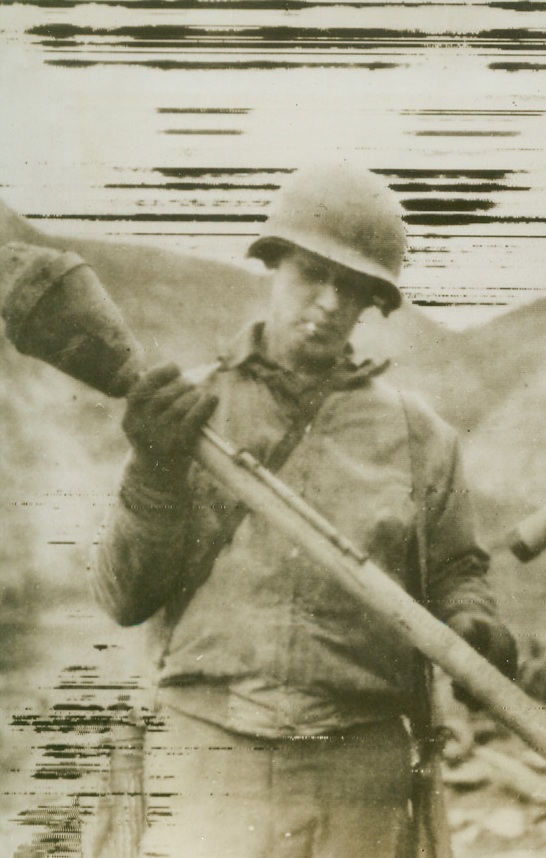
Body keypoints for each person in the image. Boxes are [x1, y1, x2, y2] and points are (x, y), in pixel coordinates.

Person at [90, 162, 517, 858]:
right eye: (309, 274)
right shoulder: (187, 414)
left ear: (371, 305)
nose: (326, 302)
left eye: (350, 289)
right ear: (273, 264)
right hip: (208, 758)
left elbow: (457, 573)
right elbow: (122, 598)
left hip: (357, 772)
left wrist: (474, 624)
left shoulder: (419, 438)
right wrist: (152, 475)